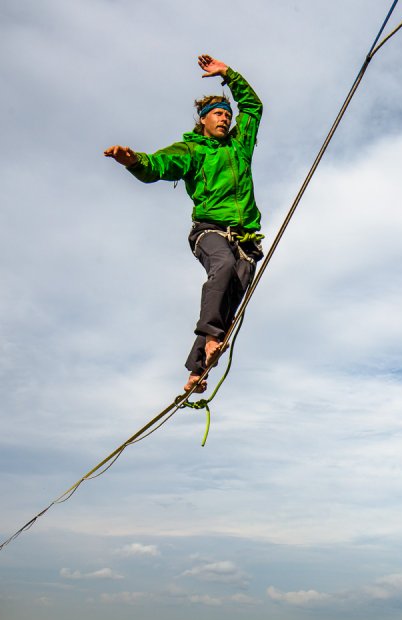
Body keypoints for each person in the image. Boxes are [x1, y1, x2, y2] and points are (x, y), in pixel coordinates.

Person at [104, 54, 264, 394]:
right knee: (222, 267)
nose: (224, 118)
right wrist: (133, 160)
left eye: (227, 114)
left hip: (247, 241)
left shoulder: (240, 146)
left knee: (229, 306)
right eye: (218, 114)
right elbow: (159, 165)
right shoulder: (193, 150)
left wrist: (228, 75)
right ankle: (209, 343)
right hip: (210, 230)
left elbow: (253, 108)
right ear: (203, 121)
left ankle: (197, 371)